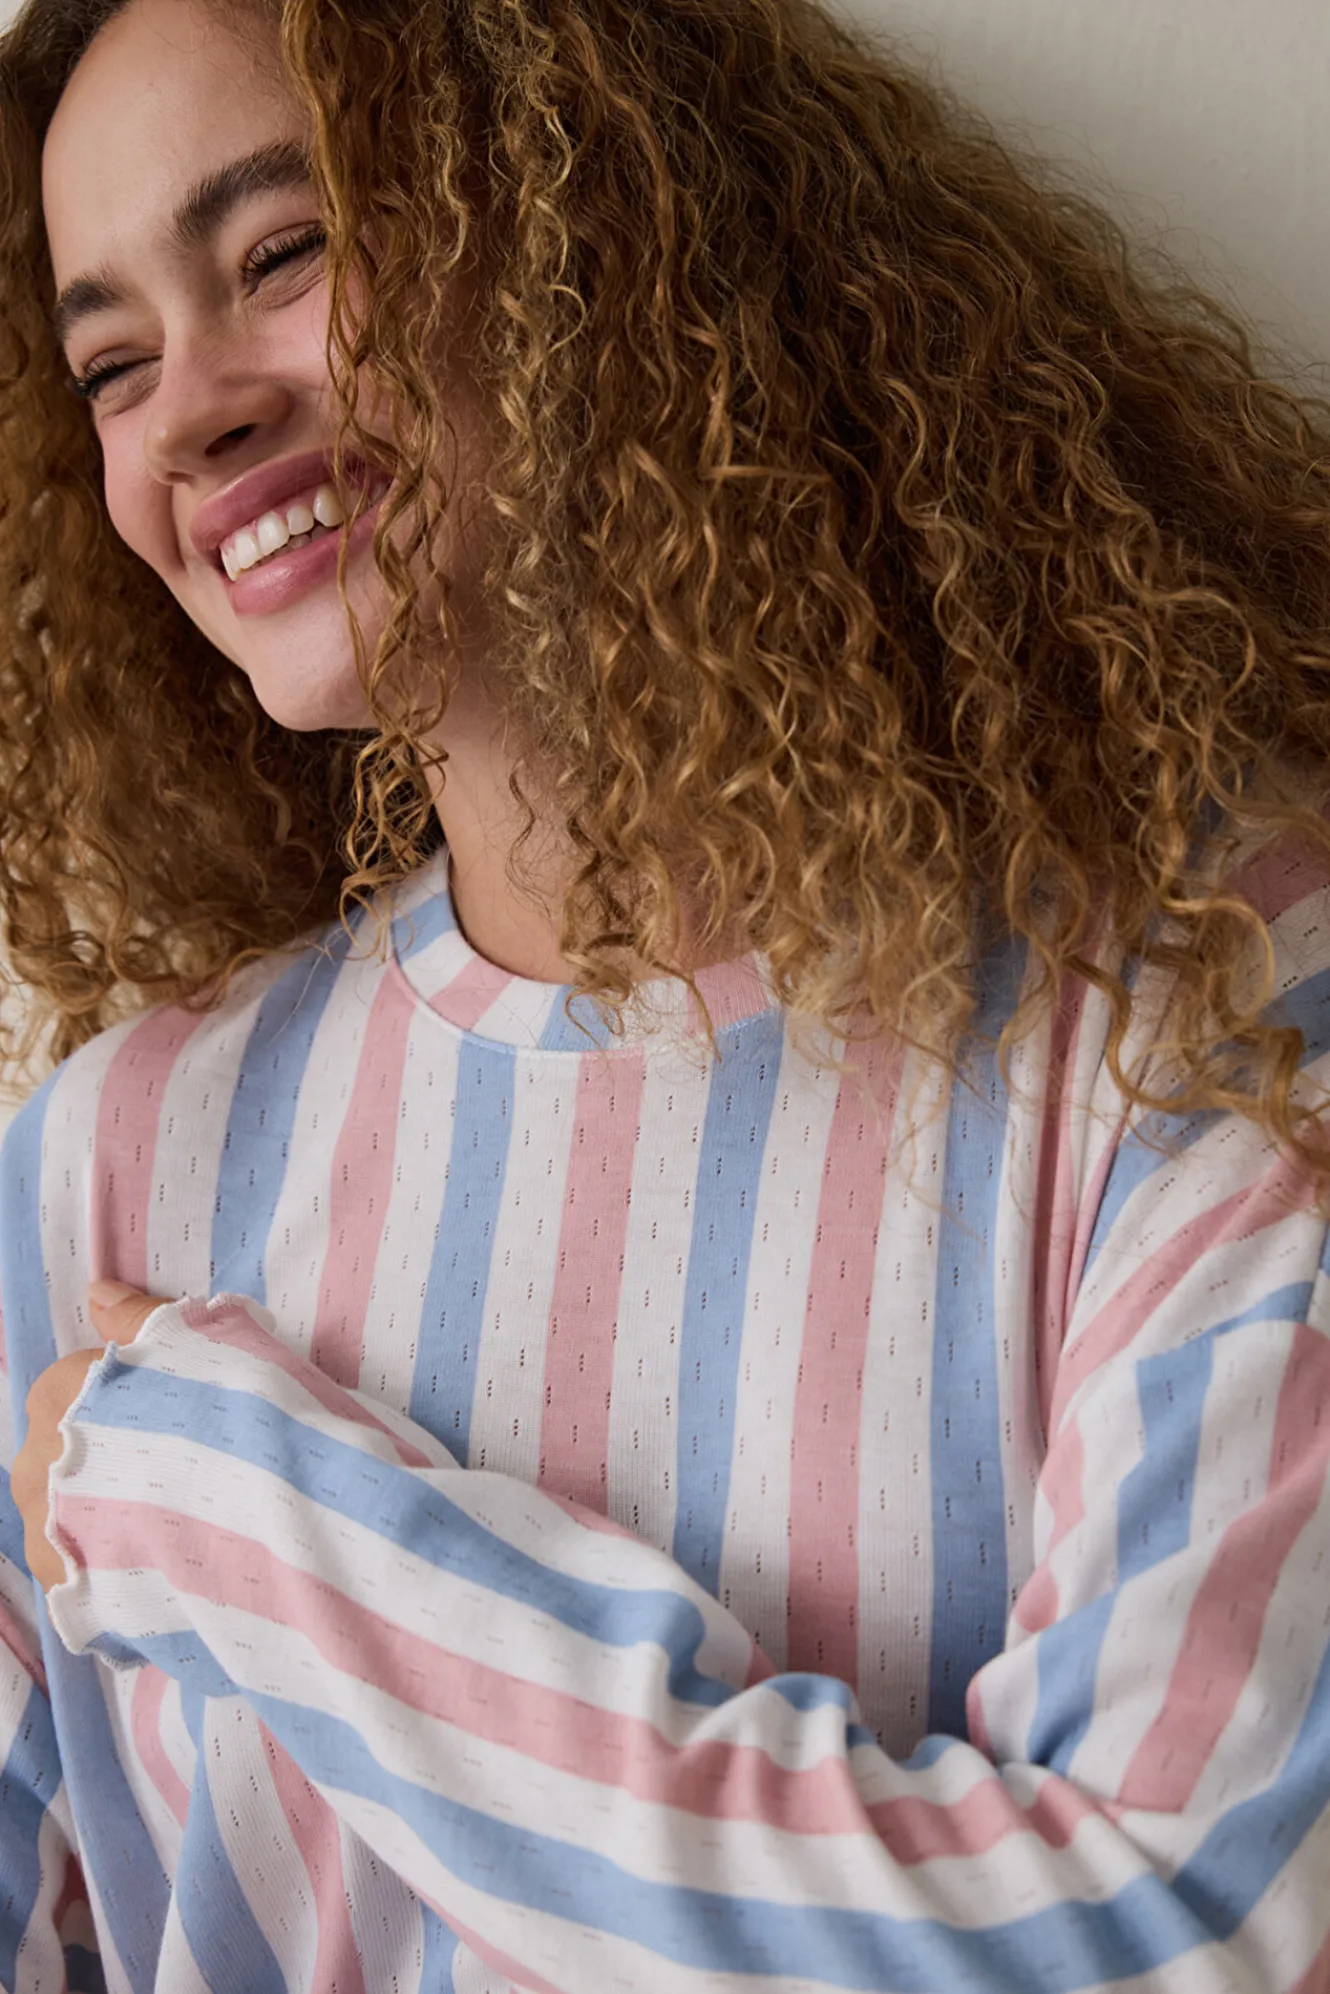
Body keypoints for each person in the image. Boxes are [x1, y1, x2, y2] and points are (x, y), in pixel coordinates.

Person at [1, 0, 1329, 1985]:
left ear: (593, 228)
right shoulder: (106, 1166)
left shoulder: (1214, 1009)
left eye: (282, 252)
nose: (186, 411)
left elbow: (1178, 1933)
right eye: (112, 364)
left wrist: (246, 1519)